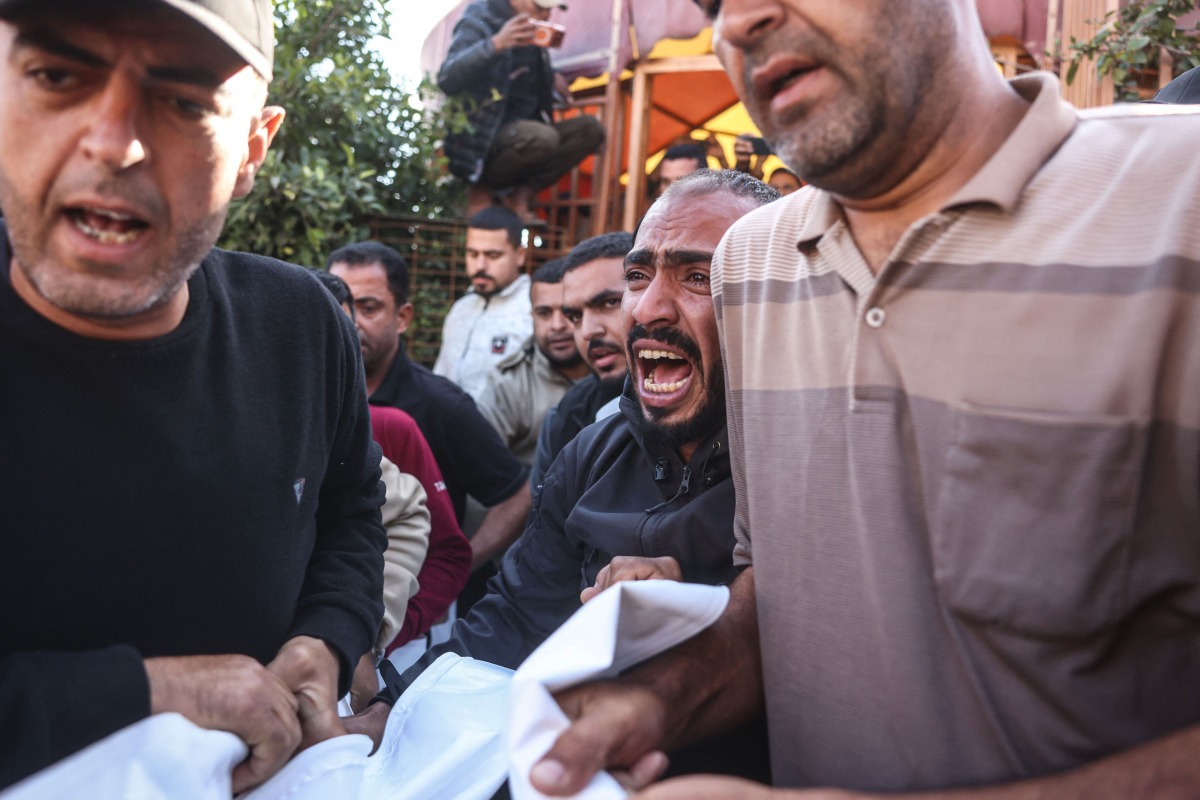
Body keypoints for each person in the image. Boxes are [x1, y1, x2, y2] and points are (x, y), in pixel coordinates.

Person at [529, 0, 1200, 797]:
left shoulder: (1180, 196)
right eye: (713, 3)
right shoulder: (753, 261)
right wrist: (661, 699)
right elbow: (775, 599)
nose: (738, 23)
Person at [0, 0, 386, 792]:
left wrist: (327, 639)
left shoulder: (304, 324)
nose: (114, 142)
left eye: (184, 102)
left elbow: (350, 510)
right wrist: (146, 696)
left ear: (254, 147)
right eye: (57, 75)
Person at [348, 172, 778, 789]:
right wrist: (389, 712)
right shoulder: (591, 453)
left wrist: (685, 609)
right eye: (637, 277)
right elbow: (510, 621)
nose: (648, 309)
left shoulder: (810, 461)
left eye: (697, 277)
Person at [313, 269, 471, 706]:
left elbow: (447, 548)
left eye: (367, 310)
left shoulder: (394, 424)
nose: (352, 335)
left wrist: (375, 631)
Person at [326, 242, 531, 573]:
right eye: (340, 307)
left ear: (403, 317)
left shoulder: (441, 405)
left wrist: (454, 568)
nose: (351, 322)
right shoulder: (313, 395)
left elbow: (517, 497)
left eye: (368, 308)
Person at [438, 0, 604, 220]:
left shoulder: (532, 28)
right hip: (484, 141)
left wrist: (551, 76)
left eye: (550, 9)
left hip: (526, 133)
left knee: (589, 129)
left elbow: (521, 73)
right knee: (542, 137)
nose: (546, 14)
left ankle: (520, 194)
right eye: (540, 7)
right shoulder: (481, 16)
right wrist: (496, 43)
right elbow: (447, 77)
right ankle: (481, 188)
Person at [529, 231, 633, 489]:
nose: (588, 331)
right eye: (575, 315)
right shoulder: (565, 417)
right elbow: (545, 522)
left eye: (609, 303)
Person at [477, 257, 590, 464]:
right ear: (532, 316)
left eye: (567, 312)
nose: (557, 325)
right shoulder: (508, 383)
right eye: (544, 313)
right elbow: (482, 468)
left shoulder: (618, 369)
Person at [433, 206, 534, 400]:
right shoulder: (461, 309)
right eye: (472, 254)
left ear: (520, 255)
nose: (480, 266)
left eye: (492, 256)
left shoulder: (534, 310)